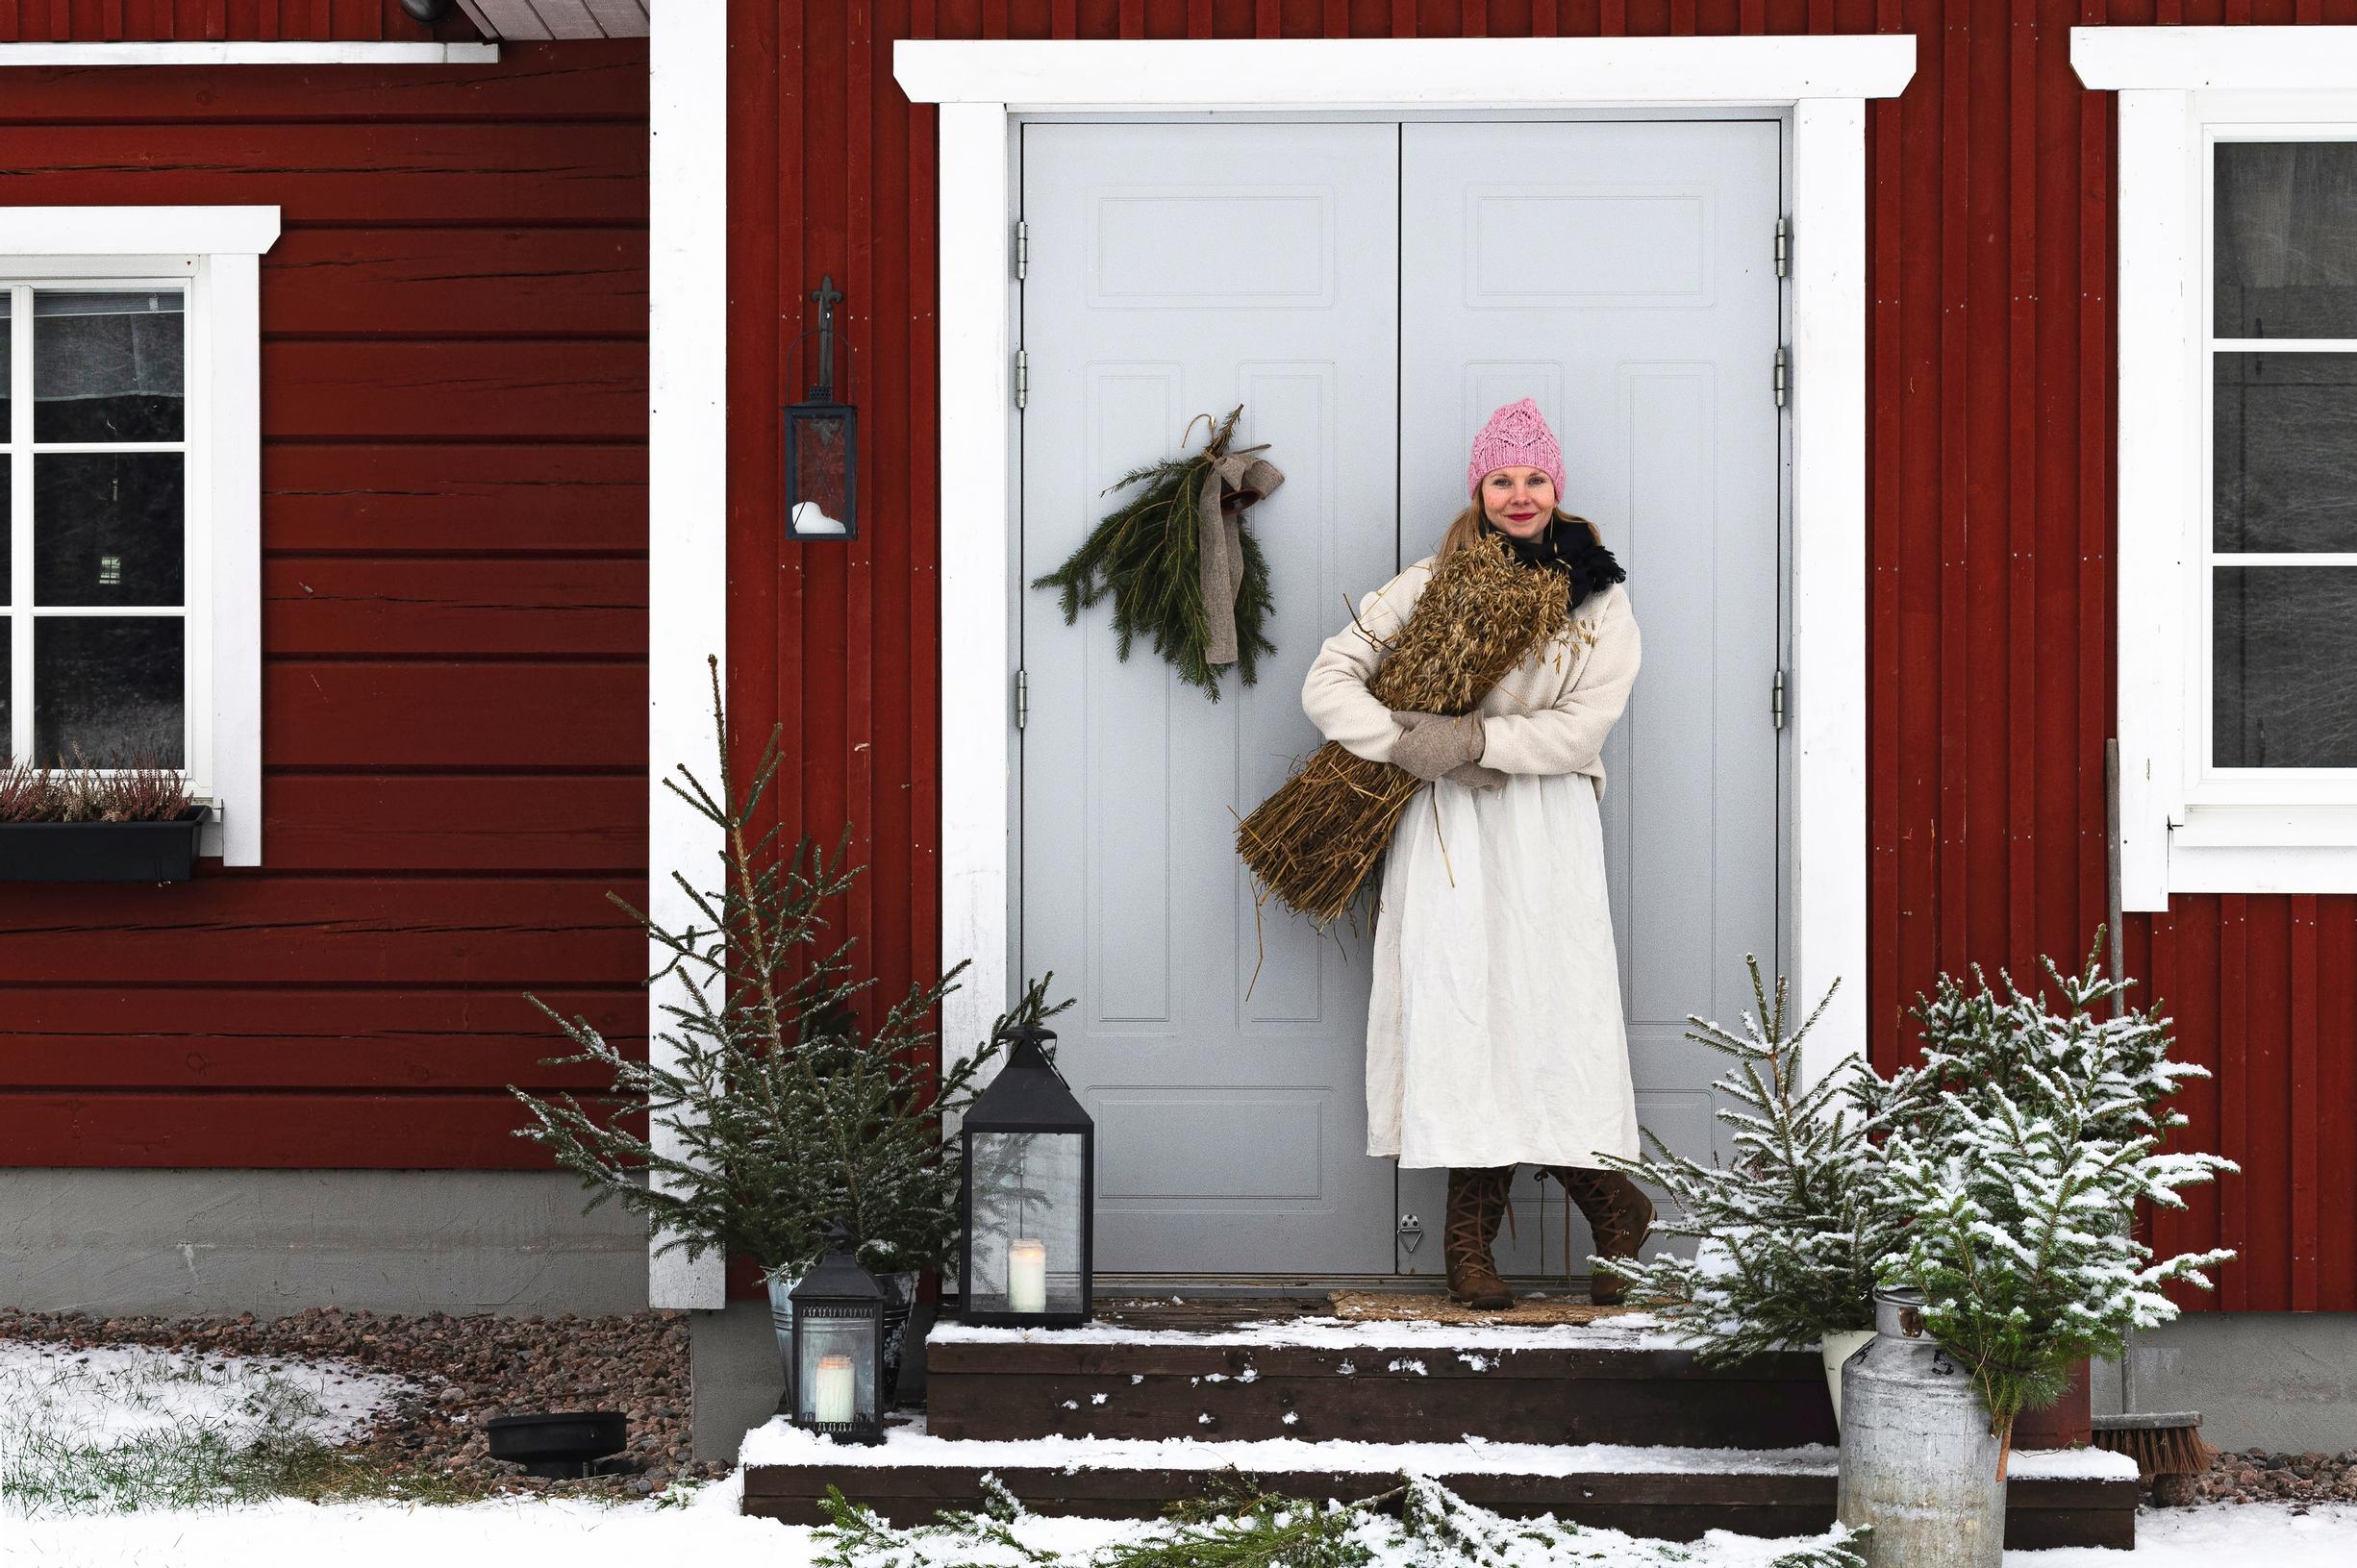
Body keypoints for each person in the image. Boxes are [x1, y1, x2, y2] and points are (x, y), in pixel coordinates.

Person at [1301, 398, 1652, 1309]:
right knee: (1463, 1018)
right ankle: (1474, 1249)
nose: (1520, 494)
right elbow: (1327, 680)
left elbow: (1582, 728)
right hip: (1449, 830)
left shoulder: (1599, 598)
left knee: (1544, 1016)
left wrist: (1478, 743)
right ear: (1479, 486)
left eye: (1535, 477)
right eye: (1503, 477)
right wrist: (1403, 740)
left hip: (1545, 829)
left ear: (1556, 485)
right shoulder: (1427, 584)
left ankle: (1611, 1207)